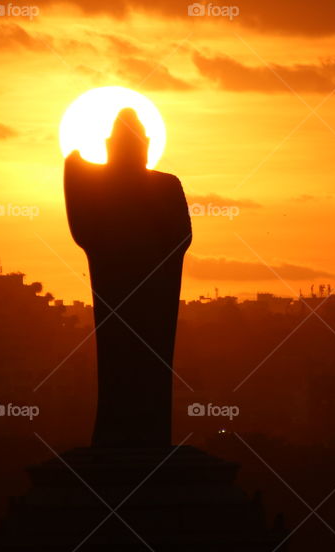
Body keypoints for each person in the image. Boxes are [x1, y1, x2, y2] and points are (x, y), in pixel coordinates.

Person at [64, 107, 192, 448]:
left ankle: (151, 434)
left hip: (154, 292)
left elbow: (182, 237)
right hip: (115, 286)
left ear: (148, 146)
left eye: (138, 144)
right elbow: (84, 230)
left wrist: (147, 253)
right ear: (109, 146)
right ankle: (115, 432)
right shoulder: (96, 185)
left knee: (152, 364)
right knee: (116, 359)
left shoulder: (166, 185)